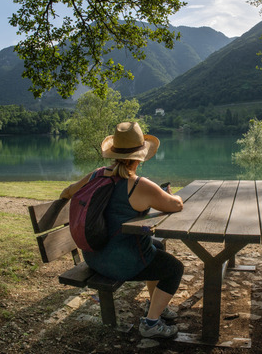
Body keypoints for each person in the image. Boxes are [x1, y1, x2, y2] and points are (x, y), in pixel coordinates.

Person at [60, 122, 184, 339]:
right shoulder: (139, 185)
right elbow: (176, 205)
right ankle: (152, 323)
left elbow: (68, 192)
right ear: (140, 157)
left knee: (155, 247)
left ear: (114, 154)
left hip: (94, 256)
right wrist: (174, 195)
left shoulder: (96, 175)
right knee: (174, 268)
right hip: (121, 264)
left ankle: (156, 306)